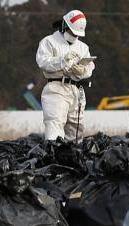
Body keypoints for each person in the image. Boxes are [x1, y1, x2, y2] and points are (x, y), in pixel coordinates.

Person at [35, 10, 95, 141]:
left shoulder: (83, 47)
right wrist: (61, 61)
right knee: (55, 124)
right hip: (56, 88)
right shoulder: (49, 42)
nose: (74, 35)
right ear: (65, 26)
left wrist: (82, 71)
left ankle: (72, 158)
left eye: (76, 34)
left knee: (76, 130)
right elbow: (42, 62)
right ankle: (54, 156)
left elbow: (90, 67)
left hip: (76, 90)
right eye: (72, 32)